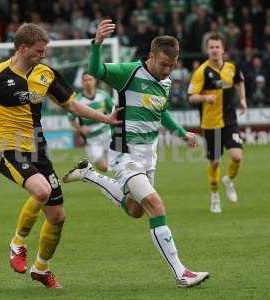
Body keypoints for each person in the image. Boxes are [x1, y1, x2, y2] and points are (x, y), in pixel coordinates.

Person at [0, 23, 120, 289]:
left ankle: (41, 268)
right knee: (41, 191)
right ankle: (17, 244)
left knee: (57, 218)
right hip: (6, 149)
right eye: (39, 51)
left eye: (45, 51)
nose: (43, 55)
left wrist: (106, 118)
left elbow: (72, 105)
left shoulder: (46, 74)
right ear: (22, 48)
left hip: (38, 150)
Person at [63, 20, 209, 288]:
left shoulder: (164, 82)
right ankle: (181, 272)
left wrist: (182, 133)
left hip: (148, 156)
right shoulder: (129, 73)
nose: (167, 70)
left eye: (172, 65)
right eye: (163, 64)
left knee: (134, 210)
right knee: (155, 206)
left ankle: (88, 175)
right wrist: (97, 43)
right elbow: (95, 69)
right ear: (151, 56)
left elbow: (161, 111)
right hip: (125, 154)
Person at [188, 34, 247, 213]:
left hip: (230, 121)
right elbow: (191, 97)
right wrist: (205, 97)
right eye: (211, 47)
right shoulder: (201, 72)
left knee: (237, 156)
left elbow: (239, 82)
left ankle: (228, 180)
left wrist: (243, 100)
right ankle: (214, 195)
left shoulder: (231, 68)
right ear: (207, 50)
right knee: (214, 162)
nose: (214, 50)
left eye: (217, 47)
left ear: (223, 50)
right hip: (211, 123)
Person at [69, 72, 113, 172]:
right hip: (92, 138)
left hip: (107, 133)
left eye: (90, 79)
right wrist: (80, 128)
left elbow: (113, 112)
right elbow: (71, 118)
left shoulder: (104, 96)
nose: (88, 82)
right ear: (82, 82)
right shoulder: (77, 100)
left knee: (117, 162)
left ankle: (114, 184)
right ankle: (107, 181)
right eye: (85, 80)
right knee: (103, 167)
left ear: (95, 81)